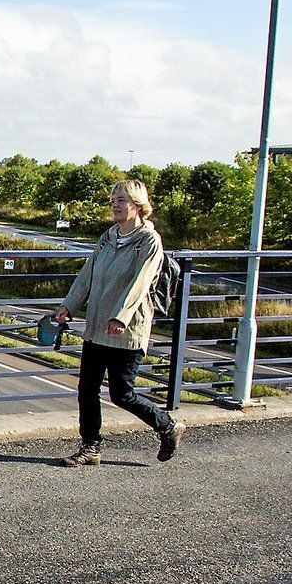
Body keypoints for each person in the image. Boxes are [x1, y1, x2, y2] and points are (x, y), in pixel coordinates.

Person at [51, 179, 184, 466]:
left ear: (138, 206)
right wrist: (68, 306)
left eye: (121, 200)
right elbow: (88, 275)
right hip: (98, 326)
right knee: (86, 389)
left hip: (126, 329)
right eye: (113, 200)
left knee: (122, 394)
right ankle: (91, 447)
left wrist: (121, 317)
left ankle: (167, 425)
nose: (115, 205)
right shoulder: (108, 237)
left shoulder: (149, 241)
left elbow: (140, 282)